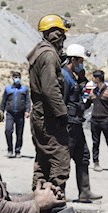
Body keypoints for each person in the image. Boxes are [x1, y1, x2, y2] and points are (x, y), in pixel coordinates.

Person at [27, 14, 71, 191]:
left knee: (43, 161)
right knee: (59, 161)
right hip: (49, 118)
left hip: (40, 115)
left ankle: (39, 210)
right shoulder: (49, 55)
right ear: (57, 34)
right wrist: (62, 113)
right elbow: (50, 88)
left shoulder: (40, 52)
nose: (63, 38)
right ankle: (54, 209)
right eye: (62, 33)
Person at [62, 44, 102, 203]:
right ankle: (60, 193)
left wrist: (83, 80)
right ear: (73, 59)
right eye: (79, 61)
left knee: (83, 156)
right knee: (64, 159)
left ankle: (84, 192)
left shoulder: (73, 76)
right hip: (69, 124)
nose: (81, 64)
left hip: (77, 123)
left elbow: (77, 98)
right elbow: (63, 102)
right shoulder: (64, 76)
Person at [89, 70, 108, 172]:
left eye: (94, 78)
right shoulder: (92, 91)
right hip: (95, 121)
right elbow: (87, 104)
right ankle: (96, 162)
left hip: (105, 121)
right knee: (95, 142)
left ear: (98, 79)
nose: (92, 80)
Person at [0, 71, 31, 158]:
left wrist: (28, 111)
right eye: (15, 77)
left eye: (18, 77)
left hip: (20, 114)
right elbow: (3, 101)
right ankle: (10, 150)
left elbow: (28, 101)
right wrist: (1, 112)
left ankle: (18, 150)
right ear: (12, 78)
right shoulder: (8, 89)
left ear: (20, 78)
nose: (16, 78)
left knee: (19, 133)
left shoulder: (24, 89)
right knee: (8, 131)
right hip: (10, 114)